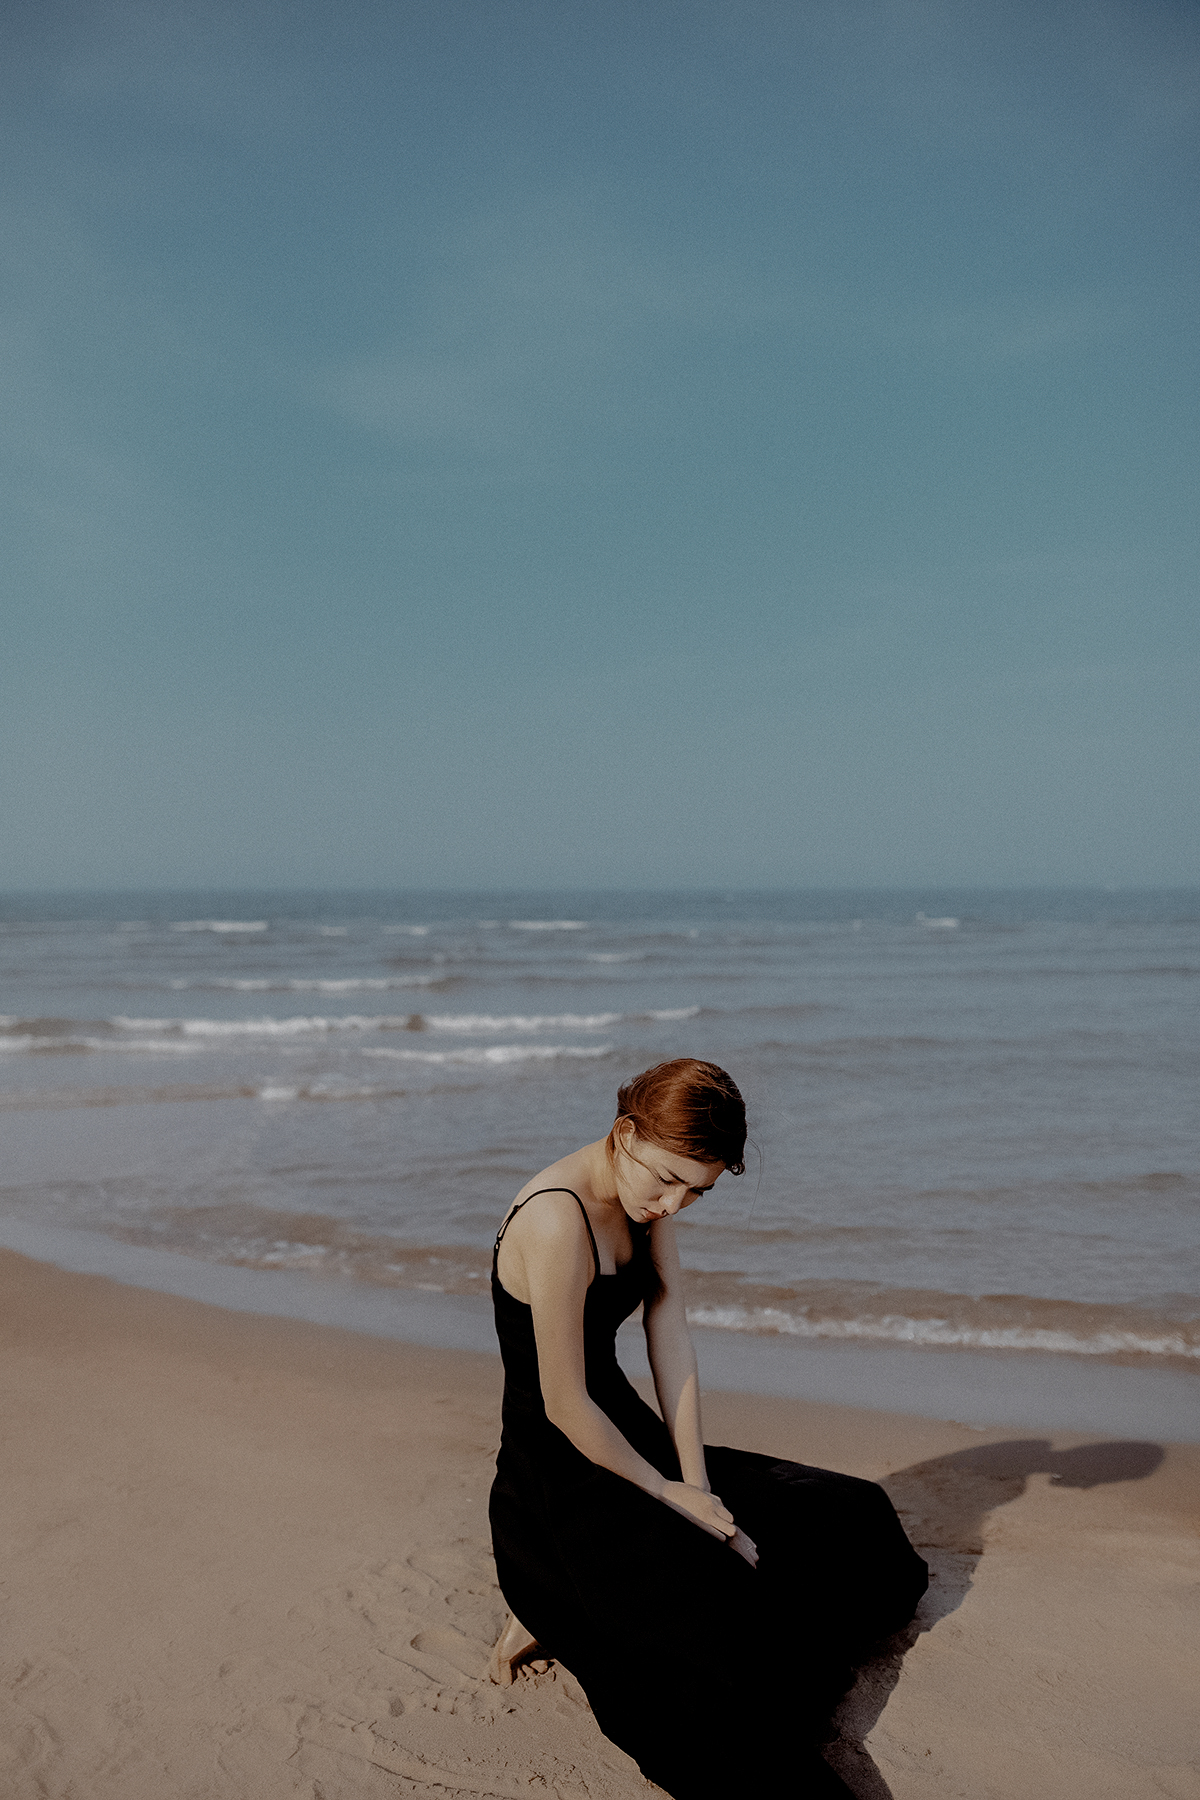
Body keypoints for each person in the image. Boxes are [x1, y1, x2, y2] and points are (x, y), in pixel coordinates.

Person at [488, 1058, 928, 1800]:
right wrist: (668, 1495)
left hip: (631, 1438)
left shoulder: (646, 1199)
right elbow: (564, 1402)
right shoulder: (556, 1218)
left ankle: (560, 1598)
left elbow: (671, 1333)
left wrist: (699, 1491)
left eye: (697, 1191)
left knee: (850, 1515)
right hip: (559, 1471)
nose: (674, 1204)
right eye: (668, 1181)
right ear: (625, 1134)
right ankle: (543, 1600)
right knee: (716, 1654)